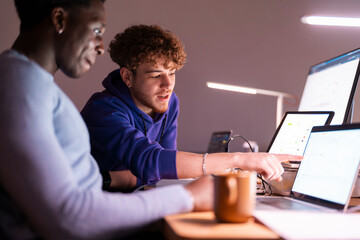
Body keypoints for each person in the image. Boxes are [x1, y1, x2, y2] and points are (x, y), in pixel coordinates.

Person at [0, 1, 214, 239]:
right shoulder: (21, 88)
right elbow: (71, 217)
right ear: (60, 20)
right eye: (97, 31)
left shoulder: (31, 84)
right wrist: (189, 196)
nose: (101, 47)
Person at [81, 24, 302, 191]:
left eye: (172, 73)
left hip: (135, 199)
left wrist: (126, 177)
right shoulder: (104, 110)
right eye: (156, 75)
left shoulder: (170, 102)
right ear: (128, 76)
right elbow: (151, 162)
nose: (168, 85)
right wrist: (238, 159)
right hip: (94, 208)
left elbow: (162, 172)